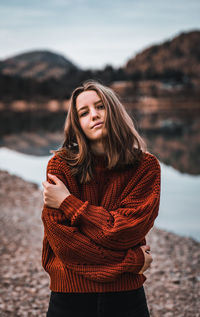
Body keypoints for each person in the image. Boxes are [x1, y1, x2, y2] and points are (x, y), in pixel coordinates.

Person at [41, 80, 161, 317]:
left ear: (114, 110)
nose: (93, 115)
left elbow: (125, 230)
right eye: (84, 113)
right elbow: (66, 245)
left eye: (100, 107)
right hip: (69, 296)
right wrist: (132, 261)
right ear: (77, 124)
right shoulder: (61, 165)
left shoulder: (146, 167)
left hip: (125, 297)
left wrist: (68, 203)